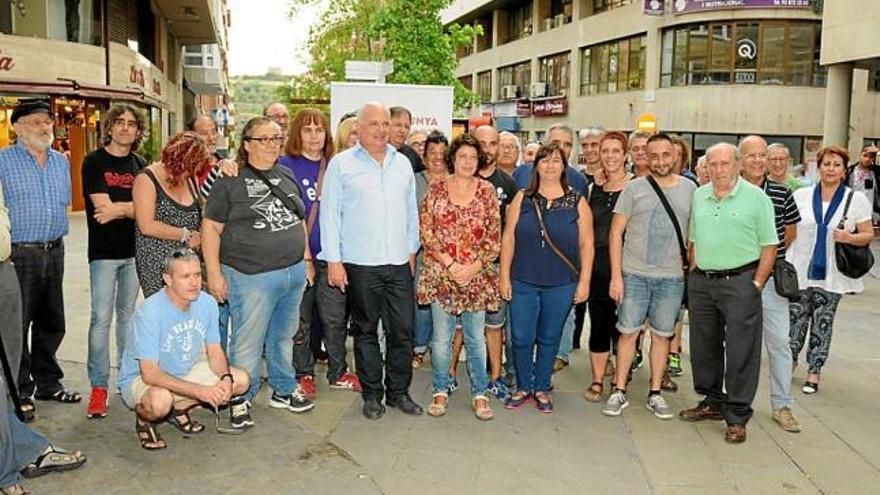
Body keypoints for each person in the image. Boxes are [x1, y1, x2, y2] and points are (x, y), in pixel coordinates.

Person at [202, 117, 315, 423]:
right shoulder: (229, 178)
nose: (272, 144)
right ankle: (241, 396)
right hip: (249, 275)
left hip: (292, 272)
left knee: (283, 336)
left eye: (276, 138)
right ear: (247, 144)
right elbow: (211, 227)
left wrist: (305, 261)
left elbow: (299, 219)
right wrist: (213, 273)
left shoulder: (287, 173)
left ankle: (283, 387)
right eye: (263, 139)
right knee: (247, 340)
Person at [320, 102, 423, 420]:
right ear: (359, 128)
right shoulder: (341, 164)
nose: (381, 129)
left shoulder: (401, 163)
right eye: (374, 124)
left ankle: (399, 392)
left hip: (397, 262)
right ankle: (372, 395)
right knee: (365, 330)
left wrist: (410, 250)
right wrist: (334, 261)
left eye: (385, 124)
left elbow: (410, 211)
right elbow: (330, 215)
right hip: (360, 263)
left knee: (403, 331)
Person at [681, 142, 778, 444]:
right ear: (706, 167)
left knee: (741, 350)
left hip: (741, 282)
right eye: (713, 164)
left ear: (737, 165)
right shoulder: (699, 194)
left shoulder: (756, 198)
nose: (719, 170)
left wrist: (758, 283)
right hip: (703, 282)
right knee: (703, 346)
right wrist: (695, 269)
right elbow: (693, 237)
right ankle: (711, 401)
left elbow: (770, 245)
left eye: (724, 163)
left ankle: (736, 414)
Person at [117, 249, 252, 450]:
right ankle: (144, 421)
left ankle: (179, 407)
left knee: (240, 381)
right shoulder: (150, 312)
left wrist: (225, 378)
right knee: (159, 402)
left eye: (197, 274)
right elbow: (150, 374)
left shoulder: (207, 303)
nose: (194, 282)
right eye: (185, 276)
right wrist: (200, 391)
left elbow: (215, 350)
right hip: (142, 379)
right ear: (167, 279)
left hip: (184, 371)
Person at [604, 133, 696, 419]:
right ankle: (619, 389)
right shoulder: (634, 189)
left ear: (675, 155)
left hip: (671, 278)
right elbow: (616, 233)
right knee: (628, 332)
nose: (659, 161)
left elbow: (695, 233)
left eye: (665, 155)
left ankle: (655, 392)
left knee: (662, 336)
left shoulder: (691, 190)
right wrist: (616, 277)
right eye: (653, 156)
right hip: (635, 274)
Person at [500, 142, 593, 413]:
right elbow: (508, 239)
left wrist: (584, 281)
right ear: (535, 165)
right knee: (520, 337)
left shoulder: (577, 201)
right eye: (545, 160)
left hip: (561, 282)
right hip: (522, 279)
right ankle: (523, 385)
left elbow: (587, 244)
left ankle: (541, 386)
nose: (550, 166)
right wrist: (504, 277)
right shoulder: (522, 198)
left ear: (564, 166)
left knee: (550, 337)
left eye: (556, 161)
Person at [0, 100, 77, 421]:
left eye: (47, 121)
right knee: (17, 324)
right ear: (17, 128)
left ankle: (48, 382)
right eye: (35, 122)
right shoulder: (3, 161)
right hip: (18, 254)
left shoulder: (61, 162)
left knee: (52, 321)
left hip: (54, 250)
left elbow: (66, 203)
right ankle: (19, 389)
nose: (45, 127)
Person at [418, 133, 501, 420]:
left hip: (476, 278)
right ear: (453, 158)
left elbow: (493, 237)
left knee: (476, 338)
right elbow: (427, 231)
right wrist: (451, 265)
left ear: (480, 161)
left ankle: (480, 393)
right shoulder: (436, 189)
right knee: (441, 338)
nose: (468, 162)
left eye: (473, 157)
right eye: (463, 156)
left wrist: (473, 267)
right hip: (442, 275)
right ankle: (440, 389)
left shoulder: (488, 191)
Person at [280, 109, 361, 400]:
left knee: (335, 318)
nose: (314, 136)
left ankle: (338, 371)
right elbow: (290, 215)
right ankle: (303, 373)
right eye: (307, 130)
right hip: (297, 258)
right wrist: (305, 259)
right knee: (301, 320)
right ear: (296, 134)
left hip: (331, 256)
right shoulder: (285, 165)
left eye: (319, 130)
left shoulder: (336, 164)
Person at [787, 146, 874, 395]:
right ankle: (789, 361)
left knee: (822, 323)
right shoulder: (802, 196)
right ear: (819, 167)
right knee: (795, 320)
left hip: (832, 274)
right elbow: (789, 230)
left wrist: (848, 237)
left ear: (844, 169)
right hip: (801, 270)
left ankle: (814, 371)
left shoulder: (855, 199)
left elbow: (867, 235)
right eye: (826, 164)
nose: (831, 169)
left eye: (836, 164)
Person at [81, 104, 146, 419]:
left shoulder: (140, 165)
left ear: (138, 131)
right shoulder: (93, 162)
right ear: (109, 127)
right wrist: (133, 207)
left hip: (134, 252)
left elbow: (146, 210)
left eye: (131, 124)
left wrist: (122, 209)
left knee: (128, 318)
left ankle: (126, 379)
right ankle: (98, 387)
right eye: (119, 122)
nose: (125, 128)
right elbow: (101, 209)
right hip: (104, 254)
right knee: (100, 319)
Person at [739, 135, 802, 432]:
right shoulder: (729, 191)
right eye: (750, 155)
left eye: (762, 155)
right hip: (736, 279)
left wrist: (767, 262)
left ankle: (782, 404)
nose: (757, 161)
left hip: (772, 280)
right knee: (734, 344)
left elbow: (789, 234)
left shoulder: (781, 192)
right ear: (741, 160)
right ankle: (731, 400)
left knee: (779, 344)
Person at [462, 125, 518, 401]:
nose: (487, 149)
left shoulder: (508, 185)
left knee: (494, 326)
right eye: (481, 143)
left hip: (494, 266)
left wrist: (505, 270)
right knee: (458, 328)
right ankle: (448, 376)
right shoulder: (460, 177)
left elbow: (510, 232)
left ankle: (495, 377)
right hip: (461, 268)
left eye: (492, 143)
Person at [581, 132, 632, 402]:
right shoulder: (593, 188)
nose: (610, 156)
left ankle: (622, 378)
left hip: (629, 267)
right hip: (598, 267)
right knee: (599, 322)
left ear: (625, 155)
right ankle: (598, 379)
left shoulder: (637, 186)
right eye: (605, 151)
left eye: (616, 151)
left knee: (625, 326)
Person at [133, 132, 211, 298]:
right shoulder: (146, 179)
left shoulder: (191, 178)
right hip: (158, 263)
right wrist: (186, 235)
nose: (193, 171)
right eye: (190, 166)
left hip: (188, 263)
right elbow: (146, 225)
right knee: (164, 315)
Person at [412, 131, 449, 367]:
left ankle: (441, 349)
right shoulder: (415, 180)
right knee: (422, 302)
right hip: (422, 252)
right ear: (424, 156)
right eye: (432, 153)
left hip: (452, 255)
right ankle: (419, 346)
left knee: (446, 303)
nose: (437, 157)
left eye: (442, 153)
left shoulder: (457, 179)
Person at [844, 144, 880, 227]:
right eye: (865, 155)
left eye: (871, 157)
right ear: (860, 155)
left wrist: (878, 151)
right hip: (851, 211)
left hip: (869, 214)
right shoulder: (850, 171)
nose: (867, 159)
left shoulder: (876, 172)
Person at [389, 106, 425, 173]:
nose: (402, 130)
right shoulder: (373, 150)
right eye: (398, 125)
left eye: (406, 127)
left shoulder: (412, 155)